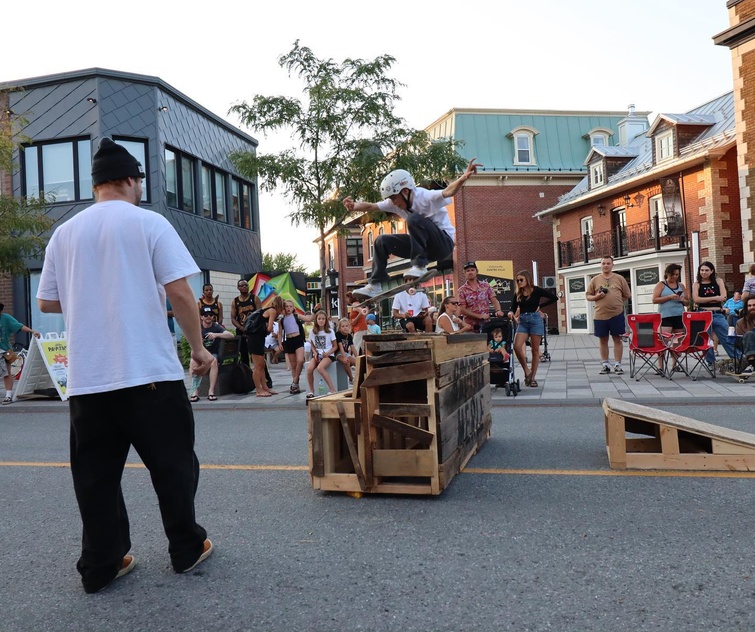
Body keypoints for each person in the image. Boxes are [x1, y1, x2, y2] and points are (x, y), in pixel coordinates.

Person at [36, 137, 214, 593]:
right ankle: (186, 549)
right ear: (132, 180)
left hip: (89, 379)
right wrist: (198, 349)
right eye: (139, 182)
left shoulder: (65, 233)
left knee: (95, 479)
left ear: (96, 184)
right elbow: (180, 293)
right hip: (150, 372)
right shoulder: (148, 223)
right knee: (173, 466)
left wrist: (90, 291)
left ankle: (102, 565)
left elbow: (49, 300)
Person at [343, 159, 481, 299]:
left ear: (405, 191)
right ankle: (375, 285)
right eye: (391, 199)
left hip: (443, 244)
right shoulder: (394, 203)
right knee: (381, 241)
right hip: (424, 248)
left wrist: (463, 177)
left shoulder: (424, 196)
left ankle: (420, 266)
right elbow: (371, 206)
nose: (394, 203)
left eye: (395, 198)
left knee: (414, 219)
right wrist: (354, 206)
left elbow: (447, 192)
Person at [507, 270, 557, 387]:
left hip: (535, 320)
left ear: (527, 279)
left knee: (535, 350)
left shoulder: (537, 290)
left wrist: (540, 306)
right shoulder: (518, 293)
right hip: (523, 321)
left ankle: (532, 378)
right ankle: (526, 370)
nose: (519, 282)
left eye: (521, 280)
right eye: (517, 280)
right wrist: (510, 313)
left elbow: (554, 298)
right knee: (517, 346)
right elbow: (513, 307)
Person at [586, 256, 631, 375]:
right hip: (600, 315)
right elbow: (588, 296)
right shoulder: (595, 280)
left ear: (612, 265)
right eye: (603, 263)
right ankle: (605, 364)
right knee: (603, 340)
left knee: (617, 339)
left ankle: (618, 364)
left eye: (608, 263)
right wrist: (597, 297)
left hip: (617, 314)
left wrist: (616, 302)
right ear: (600, 265)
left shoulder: (619, 278)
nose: (606, 265)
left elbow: (627, 294)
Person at [692, 261, 736, 367]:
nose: (704, 272)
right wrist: (715, 298)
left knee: (727, 337)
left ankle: (737, 358)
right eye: (702, 270)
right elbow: (696, 299)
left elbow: (724, 297)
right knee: (706, 339)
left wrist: (706, 299)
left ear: (712, 271)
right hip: (703, 314)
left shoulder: (718, 281)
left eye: (707, 270)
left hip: (717, 313)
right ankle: (711, 363)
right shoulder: (697, 283)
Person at [189, 310, 234, 402]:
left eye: (211, 315)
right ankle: (195, 391)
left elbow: (231, 335)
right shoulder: (198, 328)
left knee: (213, 361)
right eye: (206, 315)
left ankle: (211, 391)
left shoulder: (216, 327)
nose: (208, 316)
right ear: (201, 317)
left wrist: (216, 335)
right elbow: (192, 346)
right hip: (201, 354)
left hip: (213, 354)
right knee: (192, 362)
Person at [0, 303, 40, 404]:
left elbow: (19, 326)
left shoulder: (6, 318)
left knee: (6, 373)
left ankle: (8, 396)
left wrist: (32, 331)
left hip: (4, 350)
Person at [651, 263, 688, 371]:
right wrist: (669, 297)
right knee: (663, 340)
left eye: (677, 275)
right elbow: (654, 300)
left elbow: (688, 302)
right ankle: (660, 366)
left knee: (677, 340)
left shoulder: (681, 286)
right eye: (673, 275)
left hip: (678, 315)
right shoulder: (661, 284)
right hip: (665, 316)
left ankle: (674, 365)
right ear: (667, 274)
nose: (675, 277)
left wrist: (682, 300)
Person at [247, 296, 284, 397]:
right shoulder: (272, 311)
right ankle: (258, 390)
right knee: (258, 366)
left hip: (257, 338)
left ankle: (265, 387)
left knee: (262, 365)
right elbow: (270, 327)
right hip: (255, 339)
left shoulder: (266, 309)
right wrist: (270, 331)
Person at [458, 261, 504, 332]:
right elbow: (462, 310)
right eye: (468, 271)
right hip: (471, 326)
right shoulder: (462, 290)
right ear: (464, 273)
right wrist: (479, 316)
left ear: (477, 272)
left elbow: (494, 300)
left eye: (472, 270)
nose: (470, 272)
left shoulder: (486, 285)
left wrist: (498, 310)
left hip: (486, 324)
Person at [278, 299, 311, 394]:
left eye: (290, 306)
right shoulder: (282, 320)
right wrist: (280, 343)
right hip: (289, 340)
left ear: (293, 308)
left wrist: (316, 311)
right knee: (293, 365)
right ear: (284, 308)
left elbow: (309, 319)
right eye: (286, 306)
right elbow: (280, 333)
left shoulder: (297, 316)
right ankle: (296, 385)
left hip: (298, 339)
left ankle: (295, 381)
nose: (288, 308)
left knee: (300, 360)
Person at [306, 310, 338, 398]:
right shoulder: (312, 332)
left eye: (323, 319)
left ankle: (332, 389)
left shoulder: (330, 331)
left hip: (328, 355)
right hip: (318, 354)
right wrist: (315, 353)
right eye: (319, 319)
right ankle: (311, 391)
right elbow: (312, 344)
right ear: (316, 320)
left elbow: (335, 346)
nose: (321, 320)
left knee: (320, 368)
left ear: (326, 320)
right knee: (309, 369)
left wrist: (328, 353)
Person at [230, 279, 256, 366]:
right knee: (244, 355)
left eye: (246, 285)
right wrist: (241, 328)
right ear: (238, 288)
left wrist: (254, 327)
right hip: (241, 330)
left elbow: (260, 314)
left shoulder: (254, 298)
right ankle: (247, 375)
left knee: (256, 355)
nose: (245, 287)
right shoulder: (235, 301)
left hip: (254, 330)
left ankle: (264, 377)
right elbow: (233, 318)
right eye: (242, 285)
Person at [735, 296, 755, 374]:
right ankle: (752, 363)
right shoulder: (740, 322)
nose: (752, 307)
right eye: (749, 306)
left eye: (754, 305)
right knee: (749, 334)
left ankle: (752, 364)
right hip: (747, 347)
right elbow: (739, 341)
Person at [335, 318, 357, 384]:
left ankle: (360, 377)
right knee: (346, 361)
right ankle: (351, 378)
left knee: (357, 362)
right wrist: (344, 357)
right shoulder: (338, 334)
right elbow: (340, 346)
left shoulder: (349, 336)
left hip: (345, 353)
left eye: (346, 326)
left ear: (349, 327)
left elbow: (352, 347)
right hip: (338, 353)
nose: (345, 328)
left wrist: (358, 357)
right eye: (343, 326)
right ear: (339, 328)